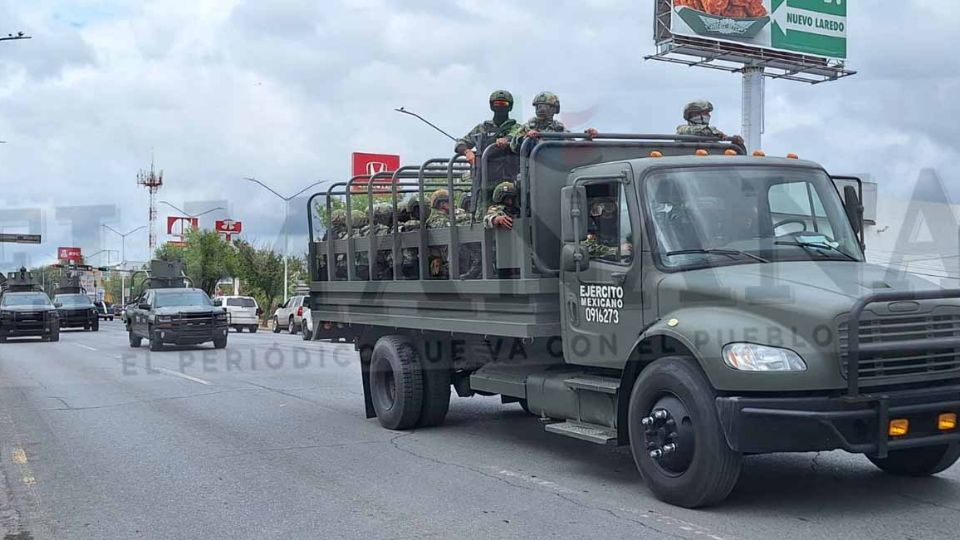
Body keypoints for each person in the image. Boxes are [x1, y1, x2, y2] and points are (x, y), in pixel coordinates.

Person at [509, 92, 598, 153]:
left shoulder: (559, 128)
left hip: (555, 169)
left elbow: (574, 148)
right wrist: (525, 138)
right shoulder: (528, 127)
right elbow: (514, 147)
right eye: (538, 106)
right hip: (533, 172)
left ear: (555, 108)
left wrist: (587, 137)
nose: (541, 109)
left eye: (545, 106)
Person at [455, 90, 518, 167]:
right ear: (491, 106)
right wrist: (467, 152)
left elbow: (517, 136)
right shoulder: (482, 128)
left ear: (510, 107)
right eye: (497, 104)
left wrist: (506, 140)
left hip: (511, 175)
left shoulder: (517, 127)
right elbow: (460, 143)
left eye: (504, 104)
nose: (500, 107)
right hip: (485, 175)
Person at [676, 100, 745, 146]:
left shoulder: (711, 137)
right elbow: (699, 131)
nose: (709, 116)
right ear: (695, 114)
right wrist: (715, 132)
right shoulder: (682, 129)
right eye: (706, 113)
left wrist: (736, 144)